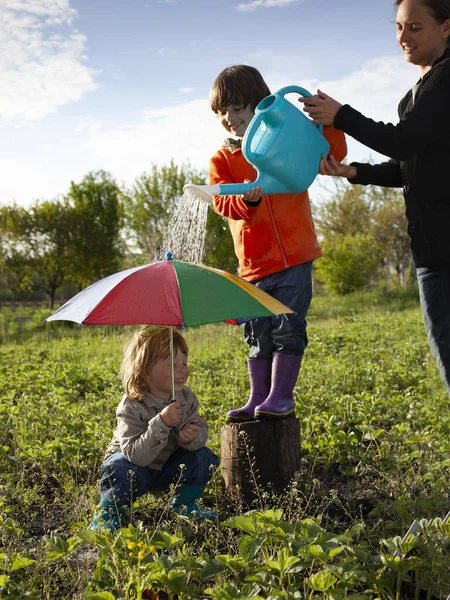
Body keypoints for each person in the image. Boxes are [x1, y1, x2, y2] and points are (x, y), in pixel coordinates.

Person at [299, 0, 450, 396]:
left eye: (415, 27)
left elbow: (404, 141)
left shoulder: (447, 79)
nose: (403, 36)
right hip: (432, 253)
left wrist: (342, 116)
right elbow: (409, 166)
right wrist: (353, 171)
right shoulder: (413, 97)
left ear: (446, 28)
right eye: (399, 27)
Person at [209, 65, 347, 421]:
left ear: (260, 104)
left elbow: (330, 153)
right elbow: (221, 201)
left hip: (295, 258)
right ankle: (258, 398)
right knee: (258, 334)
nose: (230, 118)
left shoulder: (286, 136)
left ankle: (281, 396)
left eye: (238, 108)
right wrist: (247, 202)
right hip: (253, 266)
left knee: (288, 328)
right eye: (223, 112)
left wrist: (326, 120)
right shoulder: (223, 159)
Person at [89, 326, 220, 532]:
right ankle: (109, 513)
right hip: (136, 467)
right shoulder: (132, 404)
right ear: (145, 371)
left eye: (184, 363)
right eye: (171, 365)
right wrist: (162, 422)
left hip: (168, 467)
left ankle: (185, 503)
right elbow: (135, 455)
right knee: (120, 469)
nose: (183, 369)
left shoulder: (185, 397)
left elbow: (200, 431)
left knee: (204, 457)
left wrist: (190, 437)